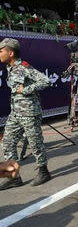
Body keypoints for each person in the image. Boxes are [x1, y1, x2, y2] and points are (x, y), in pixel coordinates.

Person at [0, 38, 51, 190]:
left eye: (1, 51)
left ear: (10, 53)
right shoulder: (10, 68)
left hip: (29, 113)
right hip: (16, 113)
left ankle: (43, 171)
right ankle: (13, 177)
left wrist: (26, 90)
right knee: (7, 143)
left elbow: (45, 81)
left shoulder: (23, 67)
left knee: (35, 143)